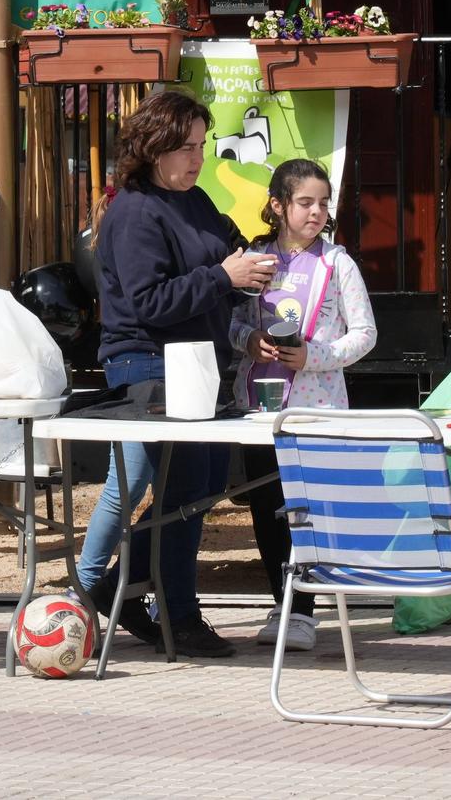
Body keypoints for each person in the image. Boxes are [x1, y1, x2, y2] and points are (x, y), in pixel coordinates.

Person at [79, 90, 277, 658]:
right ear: (153, 147)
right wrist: (224, 277)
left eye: (201, 146)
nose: (197, 158)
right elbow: (148, 303)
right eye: (185, 148)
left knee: (203, 485)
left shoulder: (196, 199)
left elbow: (227, 252)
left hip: (198, 363)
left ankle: (120, 583)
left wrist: (260, 260)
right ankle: (178, 615)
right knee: (186, 488)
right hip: (148, 362)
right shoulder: (135, 210)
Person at [227, 159, 377, 652]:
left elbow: (365, 334)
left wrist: (317, 356)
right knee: (268, 506)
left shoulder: (338, 263)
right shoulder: (254, 260)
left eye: (323, 203)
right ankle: (283, 601)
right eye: (305, 202)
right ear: (278, 206)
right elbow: (231, 324)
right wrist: (250, 341)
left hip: (317, 409)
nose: (316, 213)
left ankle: (306, 609)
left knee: (308, 511)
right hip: (260, 407)